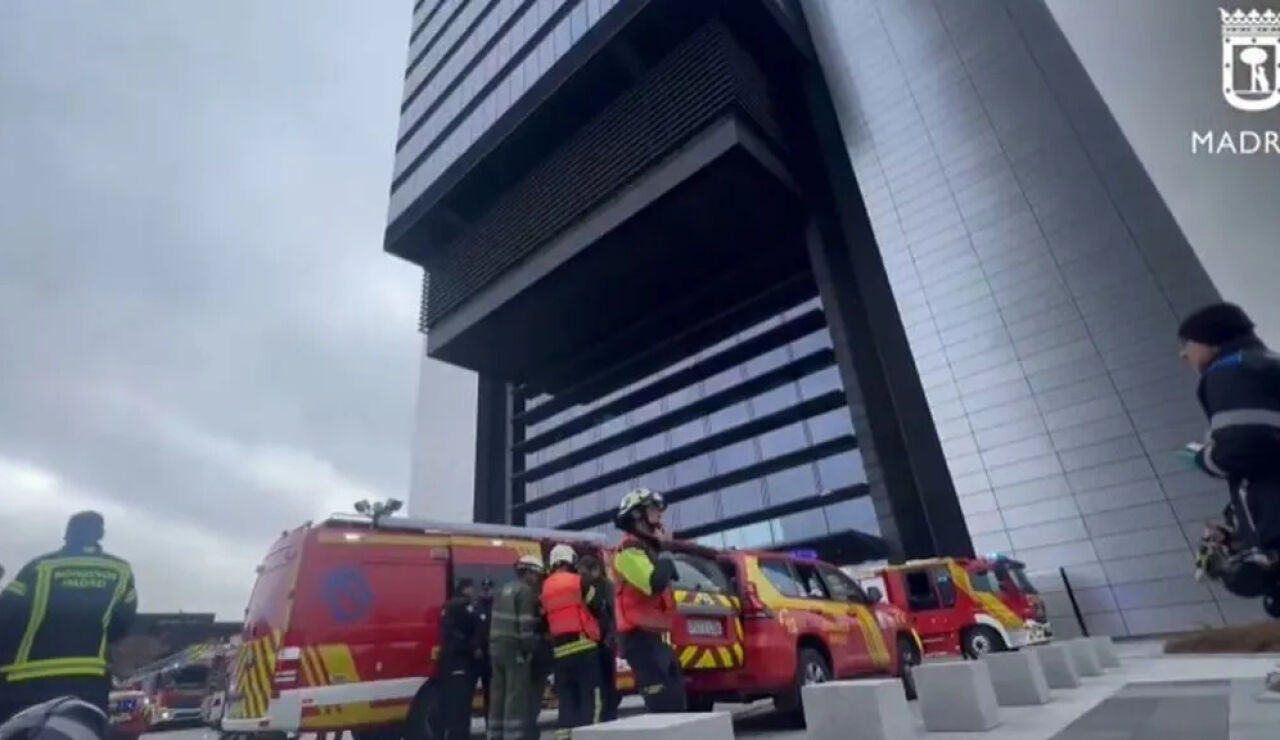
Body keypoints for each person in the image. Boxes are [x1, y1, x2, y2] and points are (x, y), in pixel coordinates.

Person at [1177, 303, 1280, 598]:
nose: (1183, 354)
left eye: (1187, 345)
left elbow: (1243, 446)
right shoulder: (1268, 363)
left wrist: (1202, 458)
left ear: (1211, 342)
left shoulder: (1230, 371)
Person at [0, 512, 137, 724]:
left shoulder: (39, 567)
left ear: (68, 534)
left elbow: (6, 613)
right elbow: (123, 623)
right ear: (100, 534)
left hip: (25, 680)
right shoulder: (121, 570)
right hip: (88, 680)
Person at [611, 487, 685, 713]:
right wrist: (664, 550)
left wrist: (662, 550)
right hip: (638, 638)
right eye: (654, 510)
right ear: (637, 515)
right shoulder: (628, 550)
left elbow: (670, 575)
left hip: (655, 636)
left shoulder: (646, 549)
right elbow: (653, 583)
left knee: (676, 698)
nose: (660, 515)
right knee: (662, 702)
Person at [541, 544, 607, 739]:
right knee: (591, 701)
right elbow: (597, 606)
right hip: (584, 648)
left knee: (567, 704)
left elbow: (545, 618)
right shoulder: (579, 582)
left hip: (561, 654)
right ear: (571, 561)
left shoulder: (545, 588)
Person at [487, 555, 546, 740]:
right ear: (528, 572)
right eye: (536, 574)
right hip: (514, 650)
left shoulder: (503, 589)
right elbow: (525, 627)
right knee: (515, 696)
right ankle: (513, 736)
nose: (537, 579)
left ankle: (495, 734)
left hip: (496, 648)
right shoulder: (525, 592)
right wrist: (531, 649)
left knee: (498, 694)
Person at [436, 578, 481, 740]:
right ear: (465, 589)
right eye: (471, 589)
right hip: (460, 661)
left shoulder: (448, 605)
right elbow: (476, 624)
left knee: (451, 705)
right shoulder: (463, 606)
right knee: (461, 707)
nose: (474, 592)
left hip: (449, 662)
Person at [576, 553, 618, 722]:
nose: (581, 576)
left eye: (583, 572)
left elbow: (613, 613)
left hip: (604, 642)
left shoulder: (606, 586)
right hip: (591, 642)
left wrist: (610, 638)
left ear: (595, 570)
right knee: (596, 682)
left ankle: (608, 716)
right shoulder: (583, 587)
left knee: (607, 682)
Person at [474, 579, 494, 726]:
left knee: (491, 691)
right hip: (478, 655)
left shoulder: (496, 607)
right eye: (484, 587)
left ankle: (491, 722)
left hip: (493, 654)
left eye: (489, 587)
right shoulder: (476, 607)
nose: (486, 590)